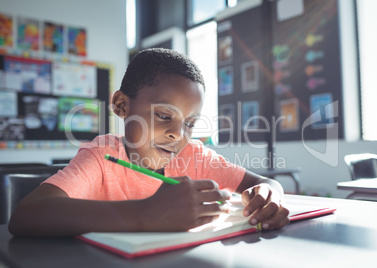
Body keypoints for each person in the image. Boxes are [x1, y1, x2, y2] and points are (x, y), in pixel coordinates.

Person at [8, 48, 289, 237]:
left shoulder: (194, 155)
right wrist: (145, 213)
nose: (178, 135)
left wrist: (268, 196)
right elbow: (25, 215)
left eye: (189, 124)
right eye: (165, 116)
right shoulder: (101, 157)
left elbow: (266, 183)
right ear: (121, 105)